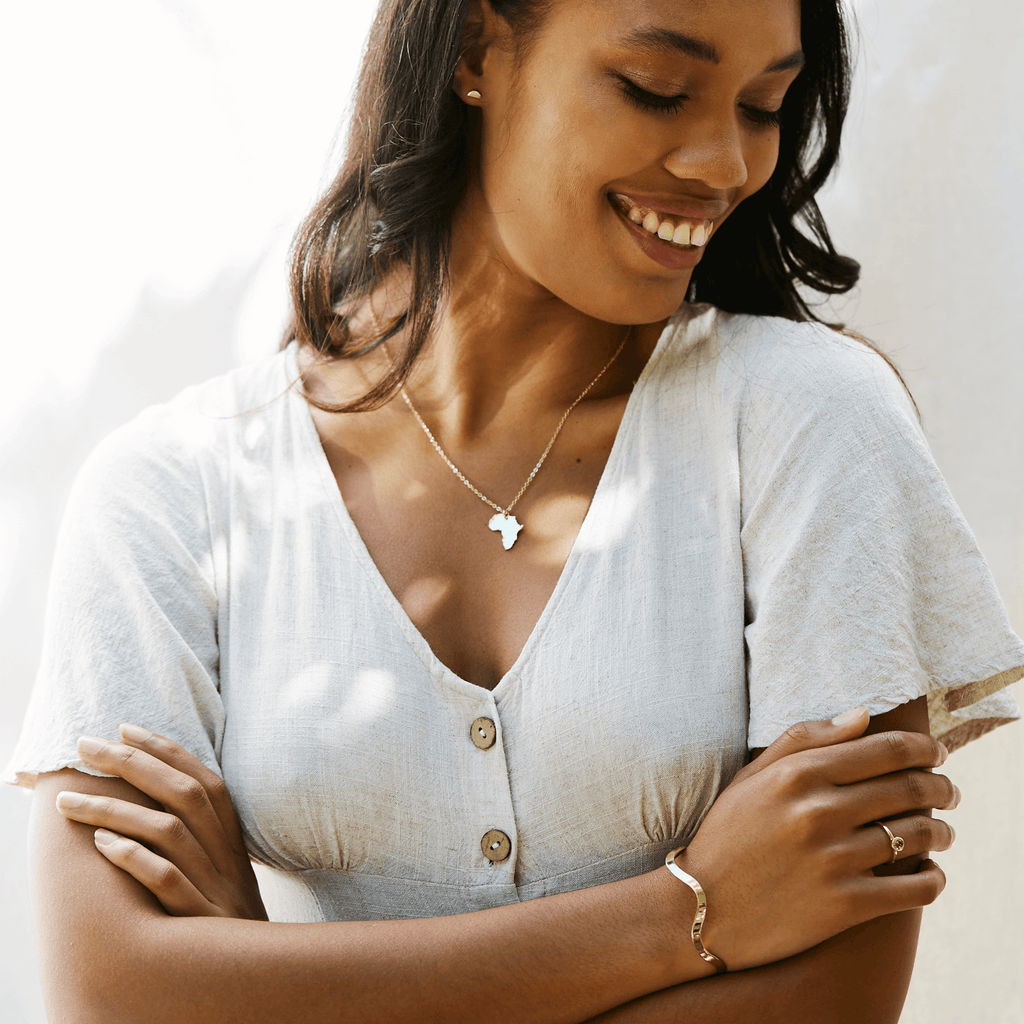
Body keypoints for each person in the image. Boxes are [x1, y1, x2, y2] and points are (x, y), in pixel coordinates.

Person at [7, 0, 1023, 1021]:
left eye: (763, 106)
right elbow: (106, 995)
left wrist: (258, 983)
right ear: (474, 49)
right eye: (657, 89)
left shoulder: (812, 425)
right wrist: (691, 911)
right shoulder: (172, 493)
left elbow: (831, 1002)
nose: (725, 163)